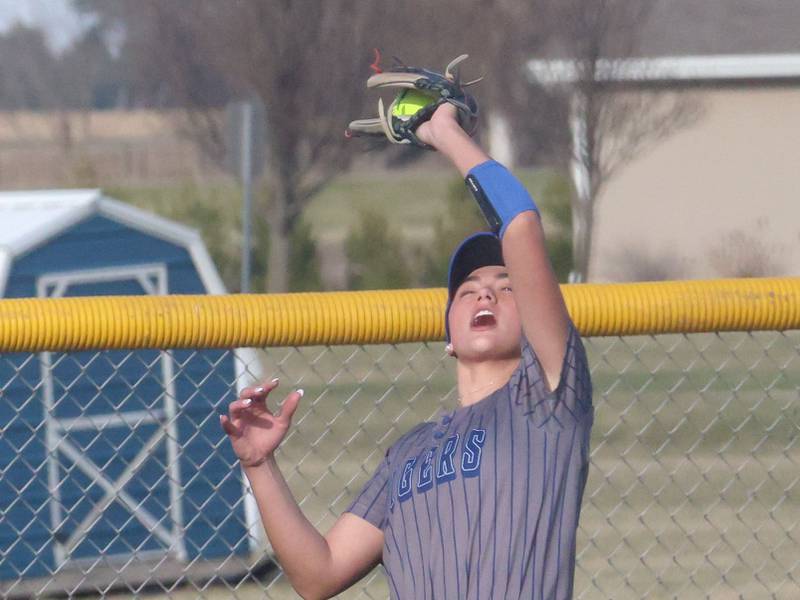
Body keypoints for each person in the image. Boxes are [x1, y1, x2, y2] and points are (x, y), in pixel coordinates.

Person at [221, 102, 593, 599]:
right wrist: (259, 466)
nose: (485, 294)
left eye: (506, 287)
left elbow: (520, 224)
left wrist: (444, 132)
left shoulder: (549, 399)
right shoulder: (409, 454)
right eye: (468, 290)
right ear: (448, 339)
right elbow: (318, 574)